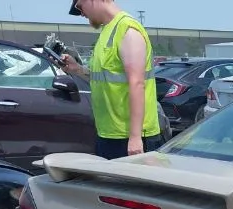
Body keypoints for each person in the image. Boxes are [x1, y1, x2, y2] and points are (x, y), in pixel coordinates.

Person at [62, 0, 161, 159]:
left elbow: (137, 83)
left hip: (130, 139)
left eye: (79, 6)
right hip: (109, 135)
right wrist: (78, 70)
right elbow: (106, 78)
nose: (81, 13)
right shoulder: (107, 31)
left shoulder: (128, 30)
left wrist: (135, 138)